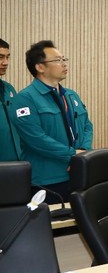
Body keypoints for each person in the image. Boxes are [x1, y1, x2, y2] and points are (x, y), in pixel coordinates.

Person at [11, 40, 93, 203]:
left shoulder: (70, 95)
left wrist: (82, 153)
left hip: (78, 173)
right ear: (40, 67)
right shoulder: (25, 99)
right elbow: (36, 139)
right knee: (53, 219)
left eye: (64, 59)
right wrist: (71, 155)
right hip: (48, 180)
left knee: (81, 217)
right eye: (57, 60)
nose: (64, 64)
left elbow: (87, 126)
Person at [0, 39, 21, 161]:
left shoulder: (9, 89)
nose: (5, 63)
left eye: (7, 57)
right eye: (0, 57)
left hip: (16, 162)